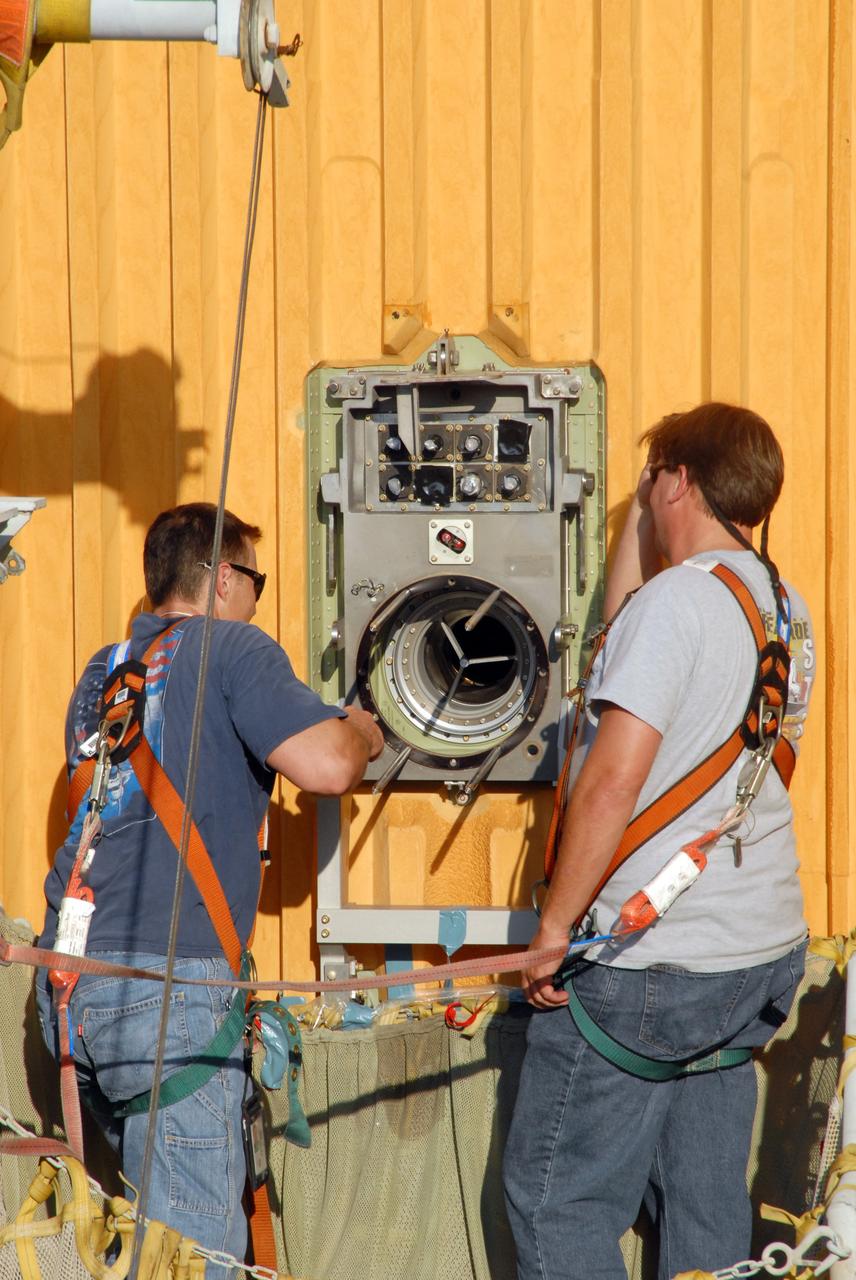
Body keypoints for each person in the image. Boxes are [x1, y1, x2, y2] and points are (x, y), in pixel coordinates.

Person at [503, 404, 815, 1280]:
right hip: (755, 956)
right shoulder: (784, 608)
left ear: (676, 479)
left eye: (650, 481)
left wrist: (555, 930)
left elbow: (610, 783)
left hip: (649, 963)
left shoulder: (674, 607)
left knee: (555, 1202)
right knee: (704, 1211)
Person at [36, 502, 384, 1261]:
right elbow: (327, 766)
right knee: (194, 1257)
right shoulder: (233, 649)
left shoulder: (104, 673)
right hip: (172, 992)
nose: (257, 597)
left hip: (70, 988)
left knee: (141, 1239)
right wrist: (359, 727)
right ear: (223, 578)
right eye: (254, 579)